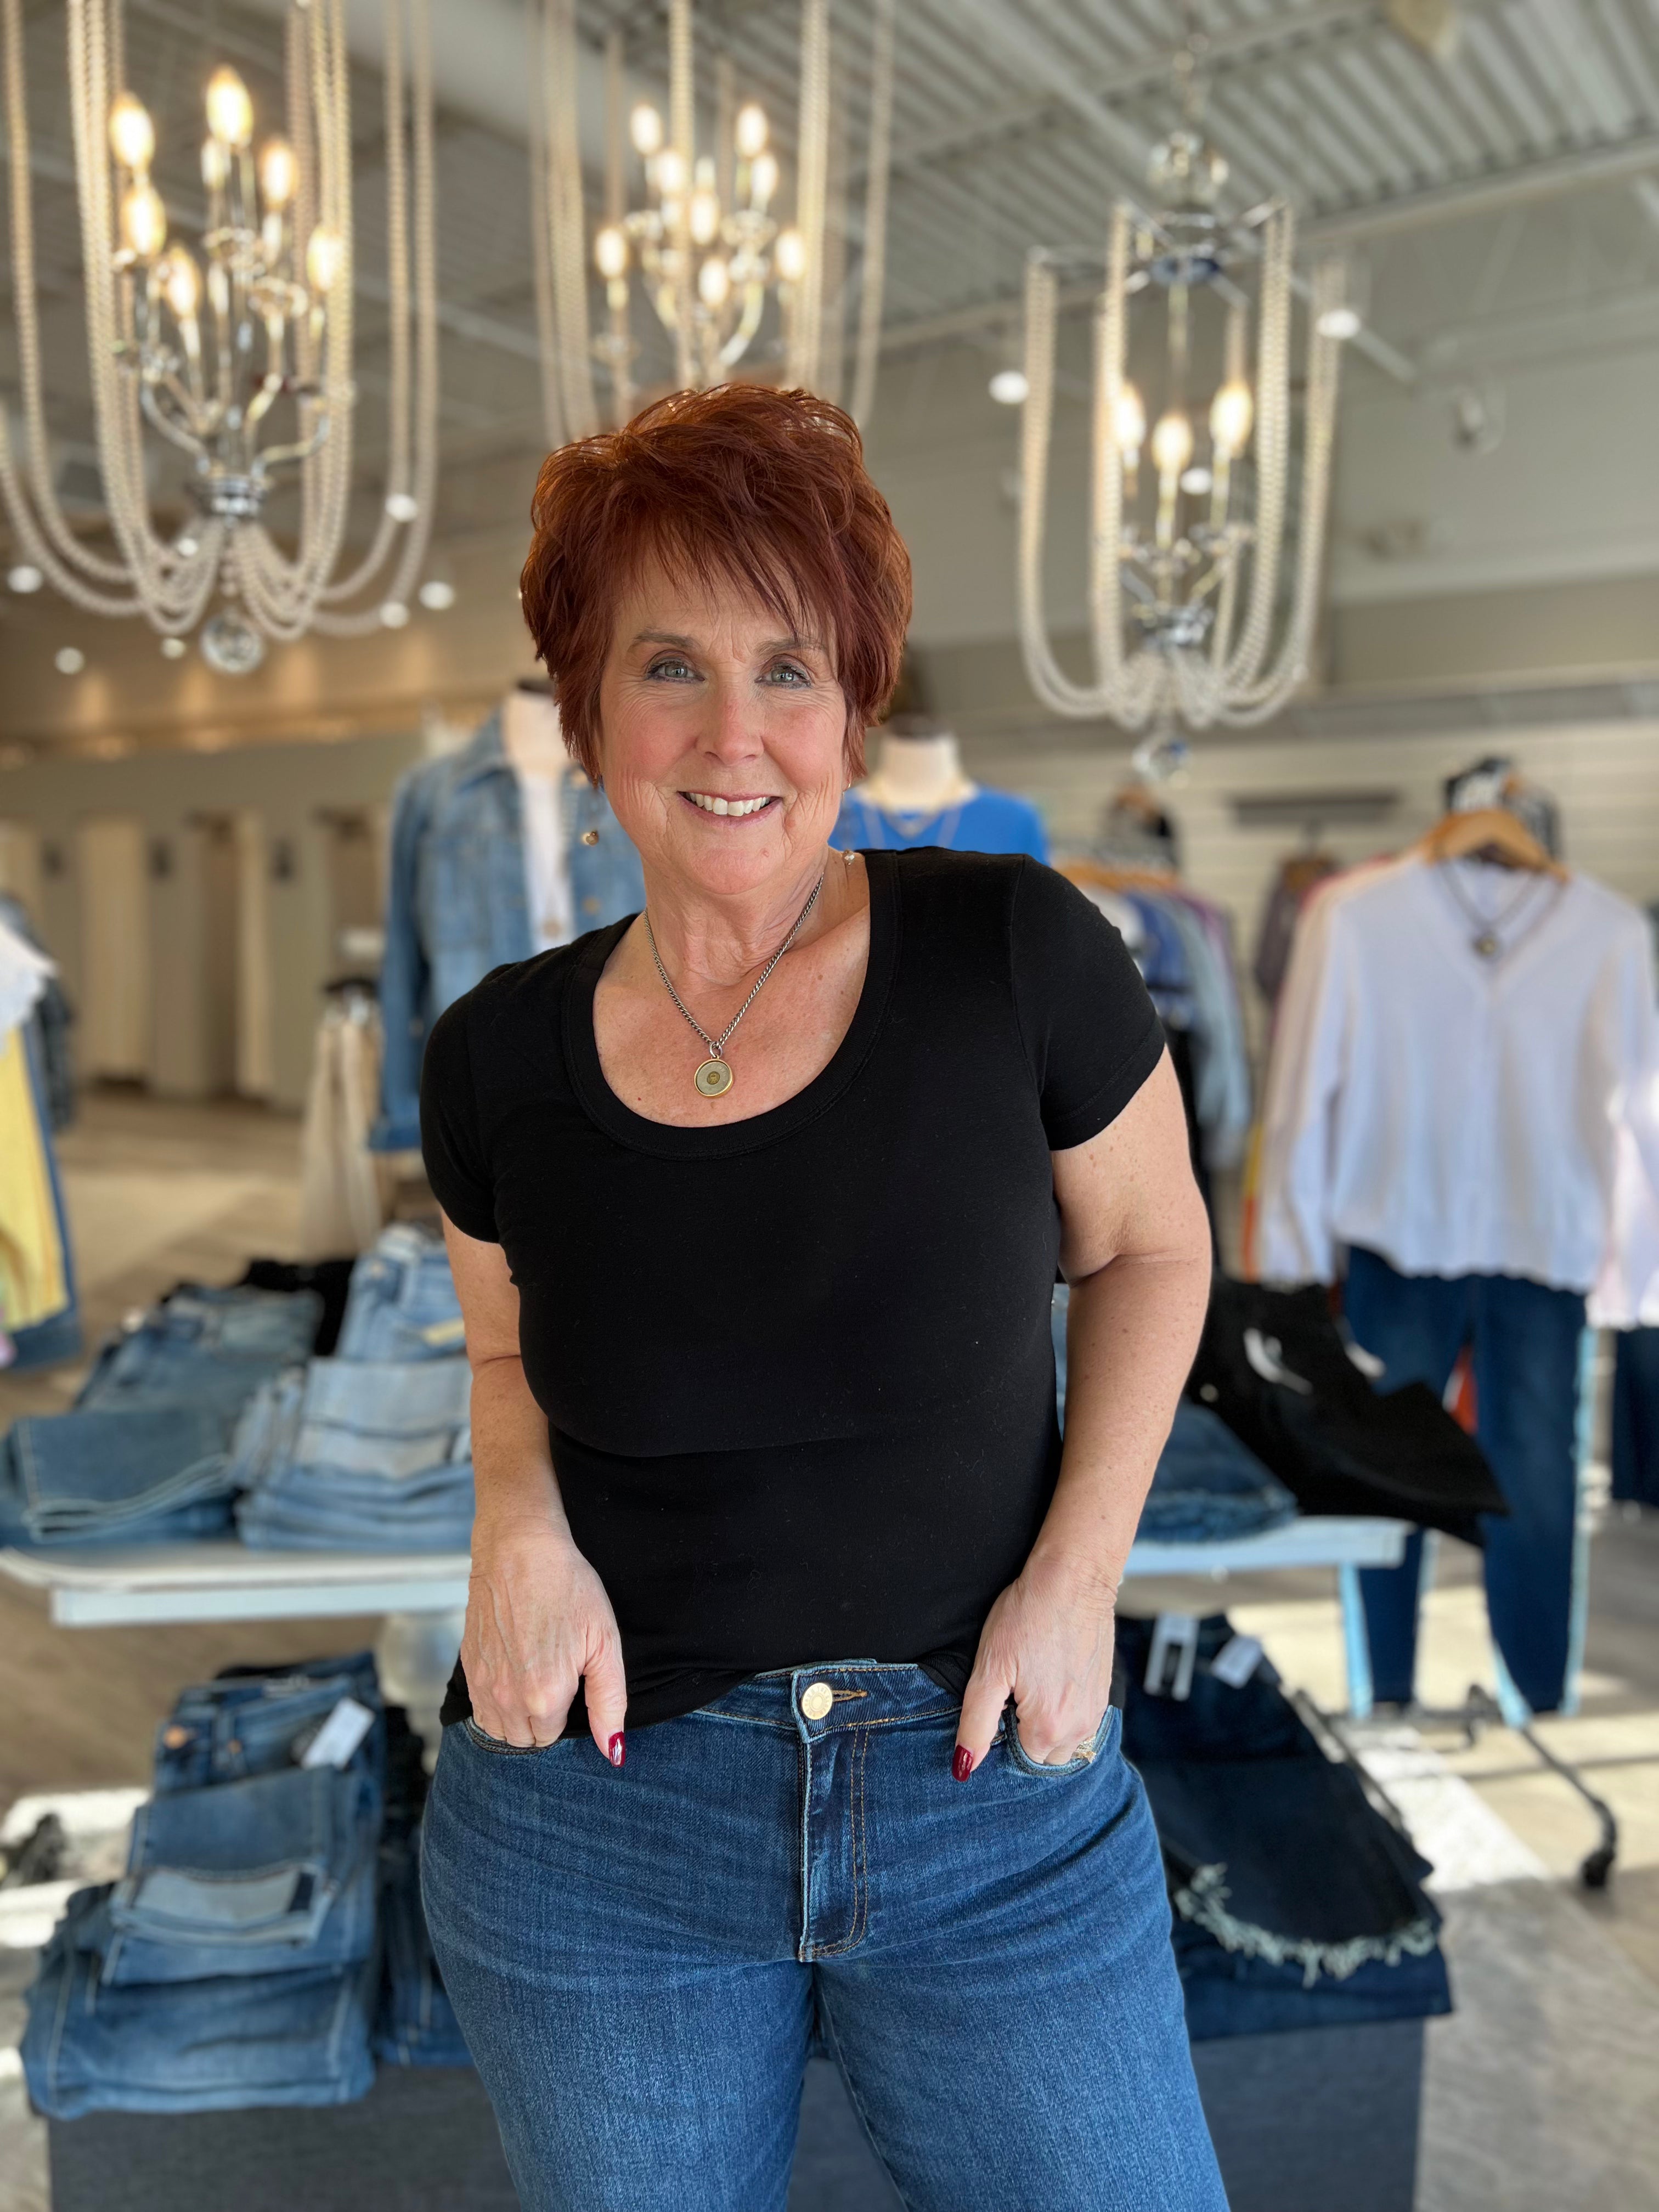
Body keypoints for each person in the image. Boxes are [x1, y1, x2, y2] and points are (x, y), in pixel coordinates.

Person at [417, 383, 1223, 2212]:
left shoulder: (1012, 952)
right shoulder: (494, 1056)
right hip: (600, 1828)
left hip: (989, 1801)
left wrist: (1079, 1582)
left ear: (854, 702)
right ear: (585, 709)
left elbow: (1154, 1249)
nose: (735, 733)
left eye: (788, 667)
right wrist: (514, 1525)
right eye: (670, 666)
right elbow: (501, 1344)